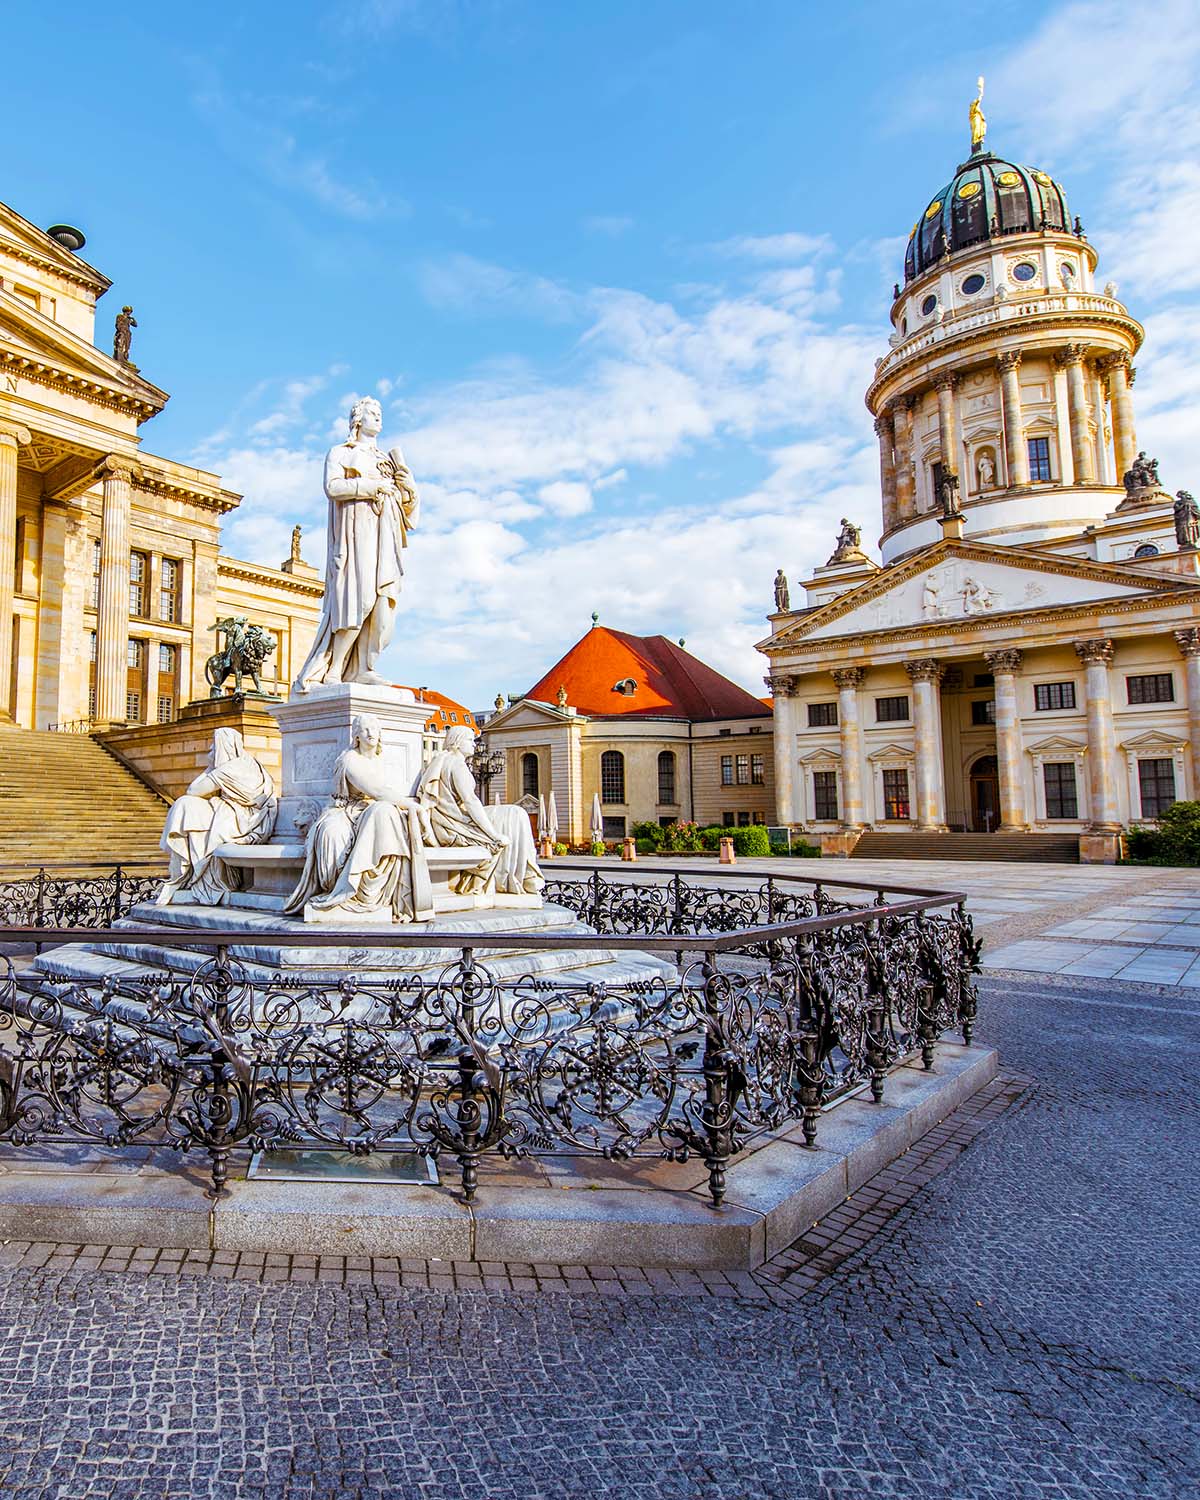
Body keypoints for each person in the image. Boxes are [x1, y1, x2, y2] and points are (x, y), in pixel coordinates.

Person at [294, 397, 419, 691]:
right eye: (373, 413)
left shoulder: (386, 460)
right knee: (356, 598)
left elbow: (406, 509)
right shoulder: (340, 453)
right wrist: (371, 486)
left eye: (380, 414)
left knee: (381, 602)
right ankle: (335, 668)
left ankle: (365, 667)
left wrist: (407, 486)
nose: (379, 418)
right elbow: (333, 487)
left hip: (384, 534)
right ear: (357, 420)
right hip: (355, 536)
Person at [284, 714, 433, 922]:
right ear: (357, 735)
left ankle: (373, 891)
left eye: (374, 728)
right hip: (343, 809)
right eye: (365, 729)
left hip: (367, 809)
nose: (371, 733)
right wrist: (414, 806)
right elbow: (377, 790)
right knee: (331, 835)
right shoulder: (349, 759)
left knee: (386, 812)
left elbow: (382, 795)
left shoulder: (380, 760)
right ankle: (337, 890)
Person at [414, 725, 543, 897]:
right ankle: (521, 877)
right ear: (457, 742)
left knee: (514, 814)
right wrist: (493, 835)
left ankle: (524, 876)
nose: (474, 745)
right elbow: (471, 802)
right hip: (454, 823)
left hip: (447, 820)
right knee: (516, 814)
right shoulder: (457, 765)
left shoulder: (443, 760)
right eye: (469, 740)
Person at [157, 729, 277, 905]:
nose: (211, 749)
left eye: (214, 745)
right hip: (250, 818)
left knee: (184, 804)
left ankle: (188, 875)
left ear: (223, 747)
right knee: (187, 807)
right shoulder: (250, 762)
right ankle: (191, 874)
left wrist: (211, 767)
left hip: (240, 820)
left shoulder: (227, 770)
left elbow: (193, 790)